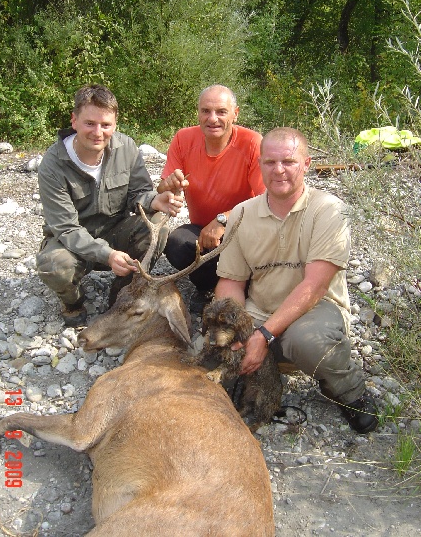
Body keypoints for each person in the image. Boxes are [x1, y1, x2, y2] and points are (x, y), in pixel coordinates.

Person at [215, 127, 378, 434]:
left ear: (306, 163)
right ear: (260, 164)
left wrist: (262, 335)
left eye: (288, 161)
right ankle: (251, 377)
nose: (279, 170)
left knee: (304, 340)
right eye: (270, 162)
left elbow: (314, 286)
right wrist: (236, 330)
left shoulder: (329, 209)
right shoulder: (240, 214)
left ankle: (349, 391)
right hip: (260, 309)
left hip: (318, 310)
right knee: (211, 346)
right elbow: (231, 283)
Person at [36, 84, 183, 327]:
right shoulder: (52, 164)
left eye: (106, 125)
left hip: (115, 230)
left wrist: (155, 200)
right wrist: (107, 255)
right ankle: (73, 302)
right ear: (74, 121)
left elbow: (139, 193)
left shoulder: (126, 148)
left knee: (158, 227)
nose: (98, 132)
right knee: (54, 266)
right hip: (70, 241)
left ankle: (123, 291)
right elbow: (66, 229)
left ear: (115, 124)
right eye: (90, 123)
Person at [157, 84, 265, 313]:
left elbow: (267, 200)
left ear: (235, 113)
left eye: (221, 112)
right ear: (198, 113)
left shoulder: (253, 143)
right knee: (175, 243)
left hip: (243, 228)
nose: (212, 119)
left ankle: (242, 287)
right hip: (201, 231)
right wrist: (168, 187)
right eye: (205, 111)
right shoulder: (183, 139)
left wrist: (224, 219)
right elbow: (163, 187)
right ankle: (209, 286)